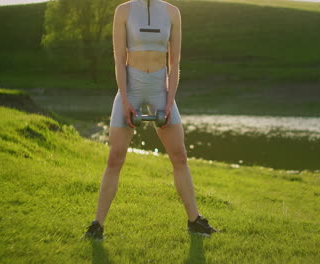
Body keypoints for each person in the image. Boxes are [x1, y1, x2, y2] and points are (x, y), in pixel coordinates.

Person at [84, 0, 219, 240]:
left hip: (160, 88)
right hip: (131, 87)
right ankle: (97, 225)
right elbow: (118, 59)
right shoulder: (123, 11)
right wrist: (125, 101)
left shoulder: (172, 12)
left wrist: (169, 102)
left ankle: (194, 221)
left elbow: (175, 62)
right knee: (115, 157)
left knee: (179, 155)